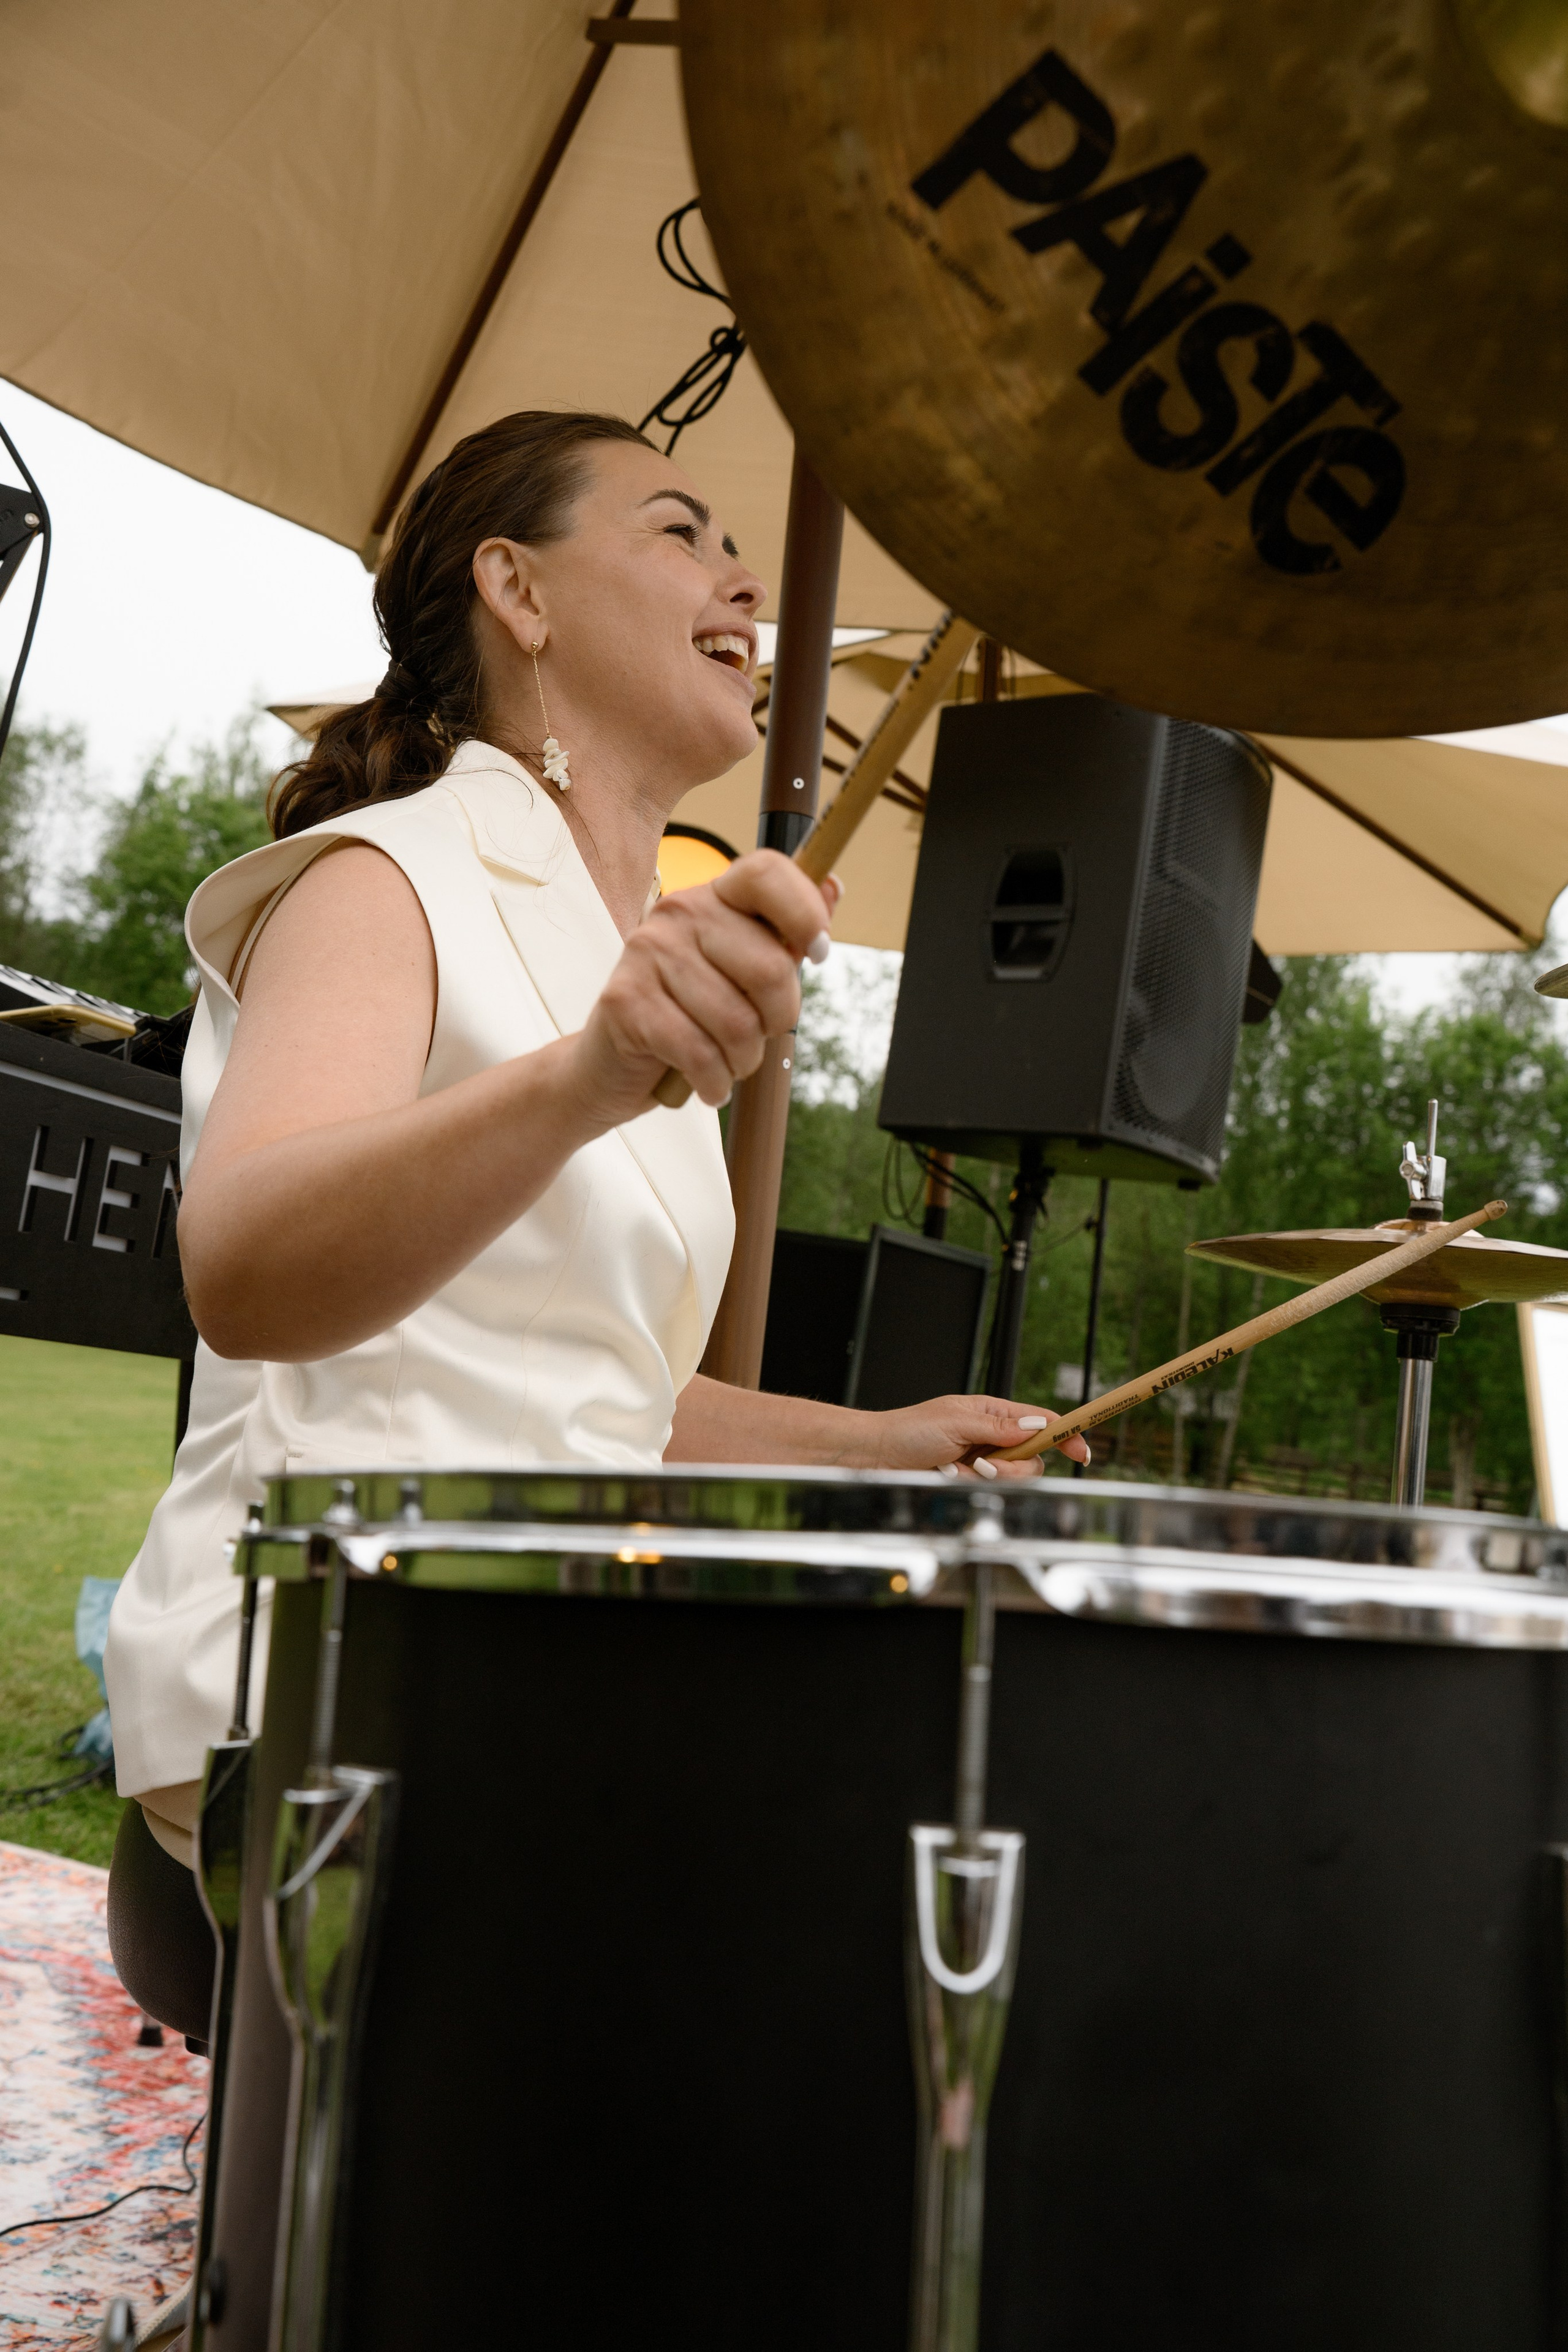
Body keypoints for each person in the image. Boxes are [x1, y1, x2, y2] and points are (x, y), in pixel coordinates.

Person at [101, 409, 1085, 2037]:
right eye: (682, 530)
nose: (747, 576)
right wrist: (591, 1073)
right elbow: (244, 1266)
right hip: (327, 1718)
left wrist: (887, 1444)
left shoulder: (618, 948)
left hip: (538, 1688)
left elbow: (598, 1393)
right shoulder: (386, 877)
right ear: (519, 591)